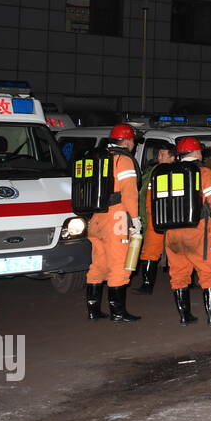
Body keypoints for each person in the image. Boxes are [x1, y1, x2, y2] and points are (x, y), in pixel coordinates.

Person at [160, 137, 211, 325]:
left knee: (179, 272)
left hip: (172, 231)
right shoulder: (204, 172)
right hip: (196, 229)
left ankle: (185, 316)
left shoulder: (165, 173)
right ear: (196, 152)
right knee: (208, 271)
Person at [80, 124, 142, 322]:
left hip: (95, 218)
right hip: (117, 217)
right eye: (133, 140)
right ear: (126, 141)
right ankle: (117, 312)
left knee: (98, 264)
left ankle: (93, 310)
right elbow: (130, 193)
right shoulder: (122, 161)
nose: (133, 144)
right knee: (119, 264)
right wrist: (136, 218)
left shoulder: (98, 158)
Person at [132, 140, 175, 294]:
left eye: (163, 154)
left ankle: (148, 285)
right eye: (158, 154)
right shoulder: (156, 171)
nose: (159, 156)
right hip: (158, 217)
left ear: (172, 158)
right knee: (151, 251)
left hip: (158, 217)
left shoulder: (156, 171)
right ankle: (147, 284)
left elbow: (143, 195)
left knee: (172, 251)